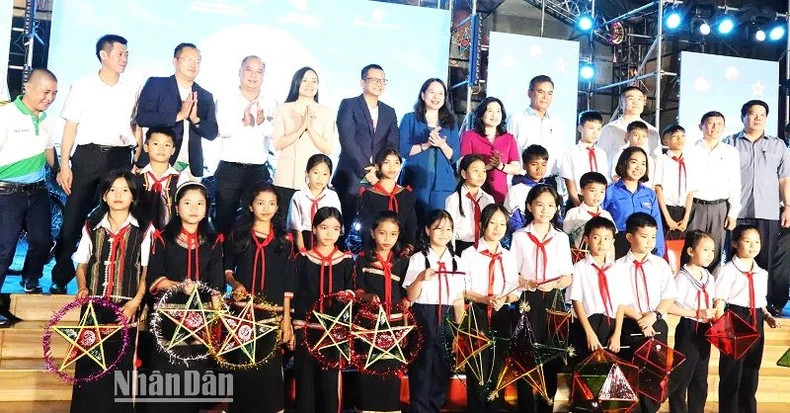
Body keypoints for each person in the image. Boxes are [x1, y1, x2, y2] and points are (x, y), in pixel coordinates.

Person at [52, 34, 141, 294]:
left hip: (120, 156)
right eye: (120, 53)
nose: (125, 58)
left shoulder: (131, 87)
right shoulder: (83, 85)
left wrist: (136, 158)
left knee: (113, 217)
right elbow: (71, 126)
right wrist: (64, 165)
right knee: (73, 217)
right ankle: (60, 276)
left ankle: (107, 279)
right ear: (104, 55)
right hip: (87, 155)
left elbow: (137, 126)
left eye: (126, 54)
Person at [71, 170, 152, 412]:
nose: (118, 195)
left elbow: (147, 270)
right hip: (94, 306)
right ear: (104, 196)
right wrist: (83, 287)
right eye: (112, 190)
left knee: (120, 365)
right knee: (88, 362)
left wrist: (136, 302)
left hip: (125, 306)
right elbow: (82, 263)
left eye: (125, 190)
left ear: (133, 196)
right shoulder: (91, 225)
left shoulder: (144, 229)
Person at [145, 181, 225, 412]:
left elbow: (217, 283)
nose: (194, 208)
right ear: (177, 207)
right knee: (165, 377)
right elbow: (154, 277)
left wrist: (218, 321)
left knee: (193, 376)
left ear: (206, 208)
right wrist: (179, 286)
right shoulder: (162, 239)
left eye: (200, 203)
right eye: (188, 203)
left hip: (200, 320)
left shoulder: (214, 242)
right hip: (168, 317)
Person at [223, 182, 294, 413]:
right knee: (242, 367)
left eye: (271, 203)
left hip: (271, 316)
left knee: (270, 372)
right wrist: (235, 285)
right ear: (251, 206)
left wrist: (286, 320)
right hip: (242, 314)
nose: (266, 208)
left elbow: (287, 284)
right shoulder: (239, 234)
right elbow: (227, 270)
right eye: (260, 202)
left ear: (278, 207)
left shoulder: (284, 240)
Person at [723, 100, 790, 317]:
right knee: (735, 256)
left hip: (768, 212)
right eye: (752, 114)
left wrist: (787, 206)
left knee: (766, 259)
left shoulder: (778, 145)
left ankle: (766, 306)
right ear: (743, 117)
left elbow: (784, 180)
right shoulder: (729, 143)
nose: (758, 118)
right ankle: (734, 303)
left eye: (762, 114)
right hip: (738, 212)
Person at [510, 185, 573, 413]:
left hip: (553, 300)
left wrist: (554, 284)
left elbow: (567, 277)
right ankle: (525, 407)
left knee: (551, 356)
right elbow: (512, 273)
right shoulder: (519, 237)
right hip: (527, 299)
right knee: (525, 356)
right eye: (539, 204)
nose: (545, 210)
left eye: (550, 205)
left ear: (557, 208)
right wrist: (525, 282)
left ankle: (547, 406)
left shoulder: (561, 238)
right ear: (529, 206)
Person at [290, 206, 354, 413]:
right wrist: (291, 326)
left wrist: (348, 298)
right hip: (306, 330)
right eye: (324, 227)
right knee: (305, 385)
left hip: (335, 333)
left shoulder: (345, 261)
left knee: (330, 386)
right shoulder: (302, 259)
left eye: (335, 229)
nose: (329, 233)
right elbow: (293, 294)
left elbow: (352, 292)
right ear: (314, 229)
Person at [0, 68, 57, 300]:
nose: (50, 98)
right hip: (7, 193)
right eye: (45, 92)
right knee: (4, 250)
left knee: (43, 241)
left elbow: (47, 149)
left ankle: (30, 279)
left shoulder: (46, 119)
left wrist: (61, 170)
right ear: (28, 87)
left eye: (54, 93)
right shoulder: (6, 116)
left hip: (38, 190)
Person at [713, 224, 781, 413]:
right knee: (731, 373)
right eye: (747, 241)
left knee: (751, 372)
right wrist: (720, 327)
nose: (753, 246)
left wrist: (767, 316)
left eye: (757, 241)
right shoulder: (727, 270)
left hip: (756, 321)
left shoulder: (761, 273)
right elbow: (719, 299)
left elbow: (760, 301)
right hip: (735, 319)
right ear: (735, 243)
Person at [403, 209, 465, 413]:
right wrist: (420, 277)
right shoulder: (418, 258)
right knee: (421, 365)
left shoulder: (457, 261)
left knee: (442, 365)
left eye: (448, 229)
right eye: (438, 228)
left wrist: (460, 330)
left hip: (447, 316)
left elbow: (458, 299)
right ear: (427, 230)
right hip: (423, 314)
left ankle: (436, 406)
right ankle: (419, 408)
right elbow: (411, 296)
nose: (444, 233)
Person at [460, 204, 520, 411]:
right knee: (477, 369)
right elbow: (462, 289)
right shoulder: (469, 254)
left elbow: (516, 289)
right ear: (481, 225)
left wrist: (504, 299)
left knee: (496, 367)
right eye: (492, 223)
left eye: (502, 224)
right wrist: (484, 299)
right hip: (476, 312)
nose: (497, 228)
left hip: (502, 312)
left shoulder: (509, 255)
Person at [618, 213, 677, 413]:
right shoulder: (617, 267)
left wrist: (654, 315)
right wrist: (639, 318)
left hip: (657, 323)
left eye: (653, 237)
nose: (650, 242)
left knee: (654, 378)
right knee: (630, 376)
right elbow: (618, 301)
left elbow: (668, 296)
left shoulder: (660, 265)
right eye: (644, 236)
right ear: (629, 237)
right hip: (629, 324)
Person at [213, 55, 277, 235]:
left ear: (264, 75)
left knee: (254, 225)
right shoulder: (226, 98)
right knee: (223, 223)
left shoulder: (270, 102)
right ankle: (222, 261)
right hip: (229, 169)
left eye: (259, 71)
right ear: (239, 72)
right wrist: (242, 121)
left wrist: (262, 122)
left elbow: (275, 135)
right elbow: (221, 130)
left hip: (257, 171)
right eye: (249, 70)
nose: (253, 75)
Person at [135, 42, 218, 178]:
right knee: (153, 199)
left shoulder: (205, 95)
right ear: (175, 61)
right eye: (187, 59)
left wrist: (195, 119)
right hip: (156, 161)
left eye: (197, 61)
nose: (193, 64)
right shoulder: (157, 84)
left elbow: (212, 133)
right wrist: (178, 116)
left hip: (188, 166)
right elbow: (143, 118)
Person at [353, 211, 409, 413]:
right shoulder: (362, 261)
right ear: (372, 233)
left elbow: (405, 293)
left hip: (394, 326)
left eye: (393, 234)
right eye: (382, 233)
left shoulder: (402, 262)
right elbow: (357, 291)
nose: (387, 239)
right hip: (369, 325)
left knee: (391, 372)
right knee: (369, 371)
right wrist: (368, 298)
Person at [334, 64, 399, 234]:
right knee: (341, 227)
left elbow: (393, 144)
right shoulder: (348, 105)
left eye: (382, 80)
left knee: (374, 230)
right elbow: (348, 141)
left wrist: (379, 169)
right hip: (350, 176)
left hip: (378, 178)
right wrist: (367, 170)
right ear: (362, 82)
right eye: (374, 79)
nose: (379, 83)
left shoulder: (389, 112)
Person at [271, 66, 338, 221]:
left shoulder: (326, 112)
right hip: (286, 178)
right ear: (297, 83)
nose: (310, 85)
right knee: (283, 224)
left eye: (314, 81)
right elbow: (277, 144)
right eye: (305, 80)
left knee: (309, 225)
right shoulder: (284, 109)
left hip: (313, 181)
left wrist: (310, 129)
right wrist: (301, 128)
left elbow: (328, 148)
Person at [667, 230, 717, 413]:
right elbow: (669, 306)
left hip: (705, 330)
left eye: (712, 250)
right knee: (681, 377)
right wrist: (696, 312)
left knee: (700, 378)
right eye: (705, 249)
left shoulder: (709, 277)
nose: (710, 255)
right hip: (689, 328)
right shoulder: (681, 278)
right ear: (690, 251)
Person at [398, 78, 459, 221]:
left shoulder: (450, 122)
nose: (436, 97)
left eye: (440, 94)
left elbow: (454, 155)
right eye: (432, 92)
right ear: (423, 94)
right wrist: (426, 144)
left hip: (442, 184)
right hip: (415, 180)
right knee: (413, 223)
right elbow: (403, 149)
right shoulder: (409, 119)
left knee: (438, 223)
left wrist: (441, 144)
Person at [567, 217, 626, 364]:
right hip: (586, 324)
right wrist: (589, 333)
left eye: (607, 238)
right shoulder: (579, 268)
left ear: (613, 241)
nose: (601, 243)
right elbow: (577, 301)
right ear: (586, 239)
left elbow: (620, 304)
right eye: (596, 237)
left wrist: (617, 334)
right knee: (584, 369)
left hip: (610, 325)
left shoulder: (616, 269)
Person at [686, 111, 740, 272]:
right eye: (710, 123)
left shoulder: (731, 152)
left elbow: (735, 183)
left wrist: (733, 213)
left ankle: (709, 289)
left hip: (720, 207)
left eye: (719, 124)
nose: (714, 127)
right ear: (701, 126)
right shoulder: (690, 149)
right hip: (695, 205)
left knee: (714, 251)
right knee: (692, 248)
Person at [604, 147, 665, 258]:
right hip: (618, 244)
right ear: (624, 163)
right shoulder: (609, 191)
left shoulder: (650, 194)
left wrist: (659, 252)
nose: (638, 167)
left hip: (645, 245)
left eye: (643, 164)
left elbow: (657, 224)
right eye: (634, 162)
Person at [356, 148, 418, 254]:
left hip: (401, 250)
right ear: (377, 167)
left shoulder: (405, 194)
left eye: (396, 163)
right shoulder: (369, 195)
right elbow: (365, 227)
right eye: (386, 162)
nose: (392, 167)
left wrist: (409, 246)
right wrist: (370, 250)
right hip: (376, 250)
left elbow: (411, 225)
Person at [460, 97, 520, 203]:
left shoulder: (508, 138)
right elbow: (463, 164)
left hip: (500, 194)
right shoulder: (469, 136)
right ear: (482, 114)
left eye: (498, 111)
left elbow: (516, 168)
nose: (494, 115)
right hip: (475, 191)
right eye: (490, 111)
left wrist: (500, 166)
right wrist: (486, 167)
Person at [507, 75, 566, 179]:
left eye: (550, 93)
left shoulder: (556, 122)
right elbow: (509, 151)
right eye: (541, 92)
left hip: (549, 180)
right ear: (529, 93)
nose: (545, 97)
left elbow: (560, 155)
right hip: (522, 178)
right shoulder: (516, 118)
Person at [135, 126, 187, 230]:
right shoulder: (136, 177)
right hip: (140, 233)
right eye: (156, 144)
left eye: (167, 145)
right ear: (146, 147)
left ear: (173, 150)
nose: (161, 148)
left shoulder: (181, 178)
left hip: (171, 234)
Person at [287, 154, 341, 251]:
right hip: (304, 239)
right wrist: (302, 251)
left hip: (326, 238)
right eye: (316, 173)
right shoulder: (298, 196)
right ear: (307, 173)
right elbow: (295, 227)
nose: (320, 178)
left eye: (325, 174)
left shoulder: (332, 196)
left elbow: (337, 224)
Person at [597, 86, 660, 165]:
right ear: (621, 102)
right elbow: (600, 158)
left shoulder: (652, 130)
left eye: (639, 99)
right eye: (631, 99)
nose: (635, 102)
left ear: (644, 102)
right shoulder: (610, 129)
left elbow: (657, 159)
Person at [444, 154, 494, 254]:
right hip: (461, 247)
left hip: (482, 246)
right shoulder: (453, 199)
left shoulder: (488, 199)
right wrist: (451, 253)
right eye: (476, 171)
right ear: (464, 174)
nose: (481, 175)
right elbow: (450, 229)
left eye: (484, 171)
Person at [654, 124, 694, 236]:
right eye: (675, 136)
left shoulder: (689, 161)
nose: (679, 139)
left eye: (682, 136)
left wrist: (686, 218)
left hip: (683, 212)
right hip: (665, 210)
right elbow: (658, 189)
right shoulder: (661, 160)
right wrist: (668, 218)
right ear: (665, 141)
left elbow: (690, 192)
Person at [561, 110, 607, 207]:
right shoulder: (571, 152)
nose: (595, 133)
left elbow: (604, 179)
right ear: (580, 128)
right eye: (591, 128)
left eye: (599, 129)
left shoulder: (601, 153)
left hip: (597, 200)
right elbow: (569, 181)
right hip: (578, 198)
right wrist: (577, 203)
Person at [504, 144, 555, 232]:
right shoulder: (516, 190)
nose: (539, 169)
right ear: (524, 165)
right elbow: (514, 221)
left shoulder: (549, 190)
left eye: (543, 165)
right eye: (534, 164)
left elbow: (556, 219)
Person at [562, 172, 614, 249]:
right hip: (579, 257)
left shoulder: (606, 215)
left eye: (602, 191)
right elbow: (565, 237)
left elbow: (611, 243)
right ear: (582, 190)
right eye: (592, 191)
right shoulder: (574, 213)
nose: (597, 195)